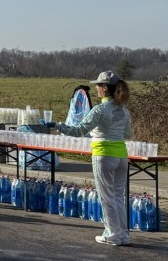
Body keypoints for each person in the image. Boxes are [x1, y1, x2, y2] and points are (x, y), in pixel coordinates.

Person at [54, 71, 133, 246]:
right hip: (121, 155)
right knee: (118, 196)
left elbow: (79, 131)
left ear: (104, 88)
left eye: (98, 85)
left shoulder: (99, 110)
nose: (96, 88)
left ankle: (112, 234)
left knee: (107, 197)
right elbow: (128, 133)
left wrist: (57, 126)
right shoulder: (123, 110)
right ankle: (123, 234)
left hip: (103, 155)